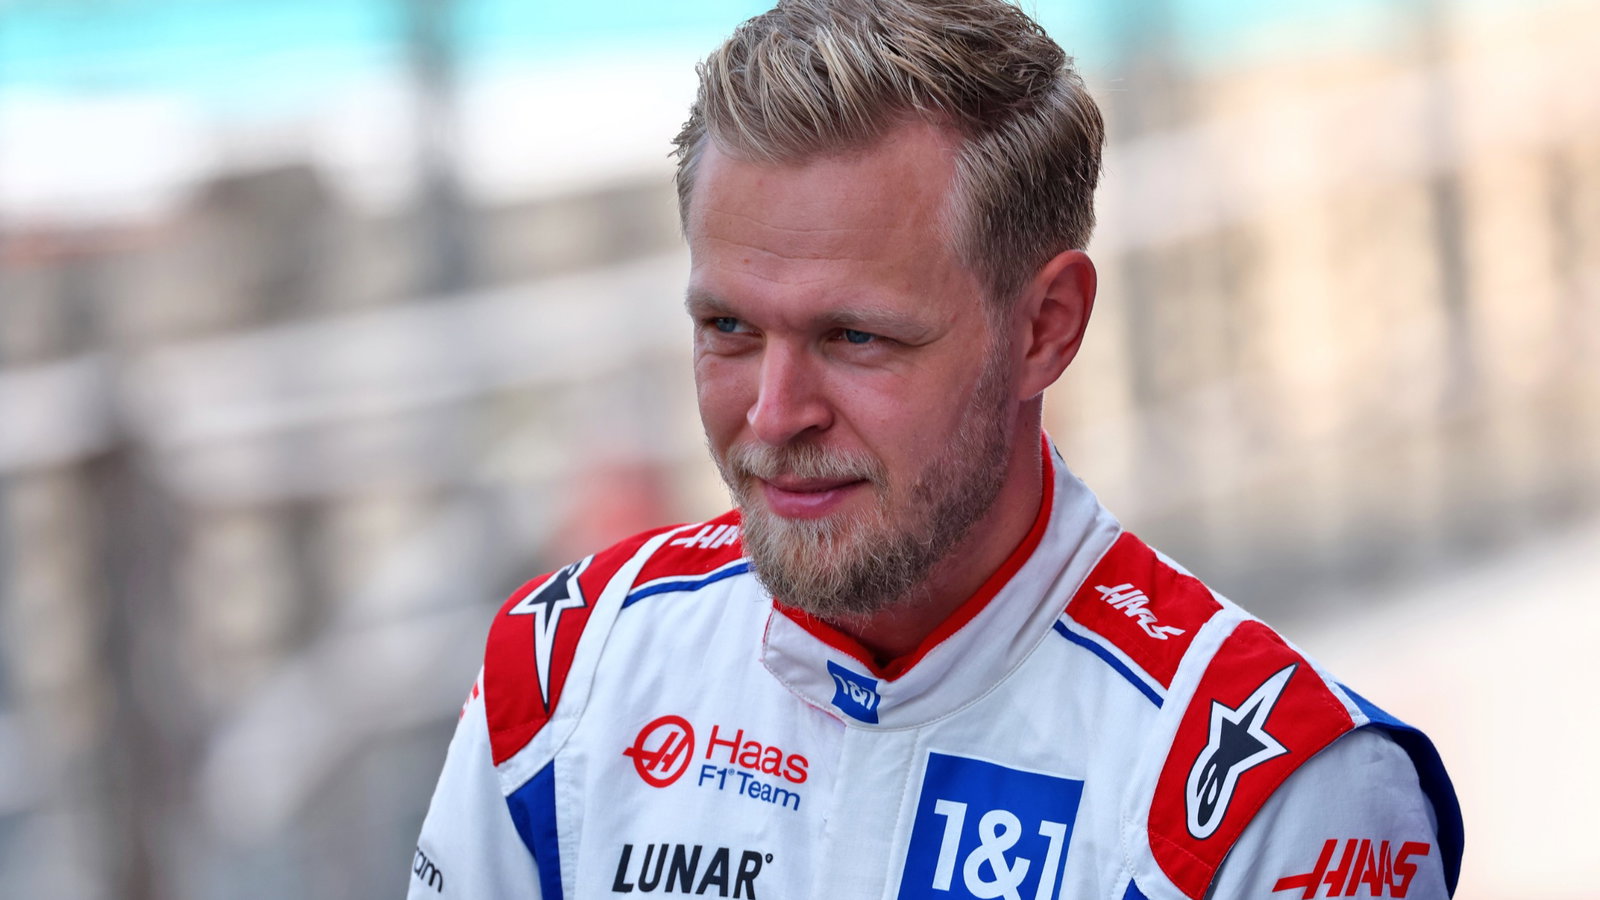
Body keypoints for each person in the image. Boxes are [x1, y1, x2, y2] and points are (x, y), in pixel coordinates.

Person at [409, 1, 1463, 897]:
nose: (773, 415)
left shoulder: (1276, 796)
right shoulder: (566, 668)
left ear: (1044, 328)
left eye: (854, 337)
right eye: (728, 327)